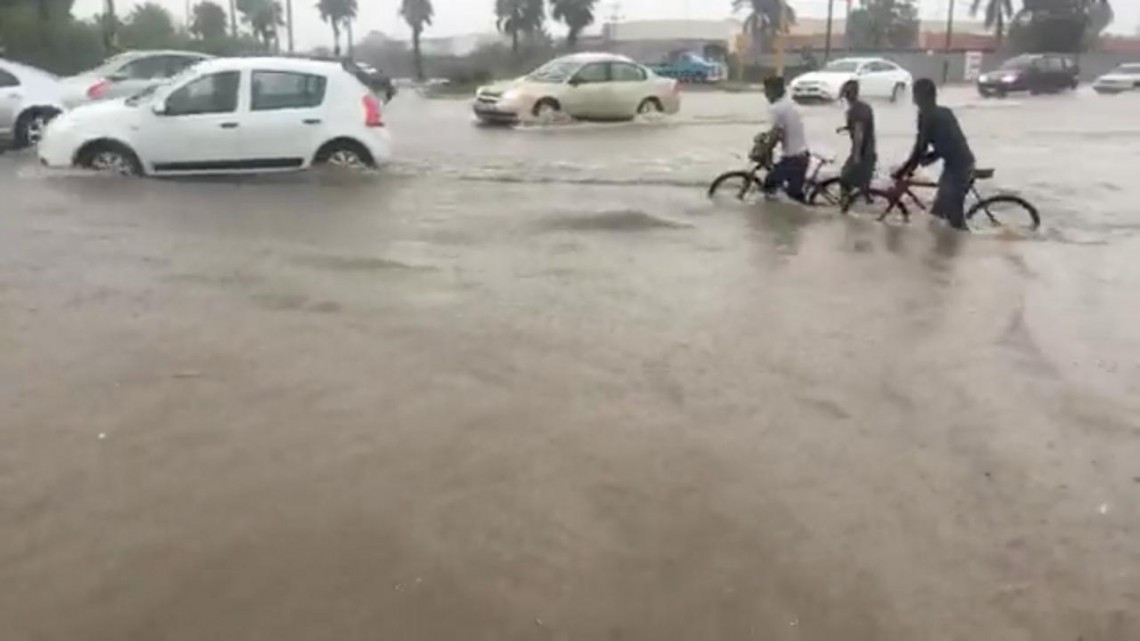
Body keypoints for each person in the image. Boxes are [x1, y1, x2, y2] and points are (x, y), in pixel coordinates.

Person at [894, 78, 976, 231]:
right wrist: (926, 159)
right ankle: (946, 249)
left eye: (915, 94)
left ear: (920, 97)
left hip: (957, 169)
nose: (913, 98)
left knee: (952, 217)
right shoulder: (944, 112)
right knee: (938, 213)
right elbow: (950, 141)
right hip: (960, 163)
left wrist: (903, 170)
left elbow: (920, 148)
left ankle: (965, 244)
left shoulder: (927, 117)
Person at [760, 76, 810, 203]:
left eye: (767, 91)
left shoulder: (777, 108)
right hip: (800, 154)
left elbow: (777, 133)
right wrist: (765, 136)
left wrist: (766, 149)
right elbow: (779, 130)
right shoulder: (789, 103)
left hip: (794, 157)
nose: (765, 95)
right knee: (793, 193)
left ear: (774, 90)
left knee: (770, 183)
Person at [835, 79, 876, 207]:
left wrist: (856, 156)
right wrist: (846, 128)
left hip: (862, 151)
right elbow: (861, 126)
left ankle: (845, 206)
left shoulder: (856, 110)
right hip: (869, 150)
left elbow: (859, 133)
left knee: (845, 177)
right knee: (864, 182)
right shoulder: (864, 107)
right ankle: (867, 204)